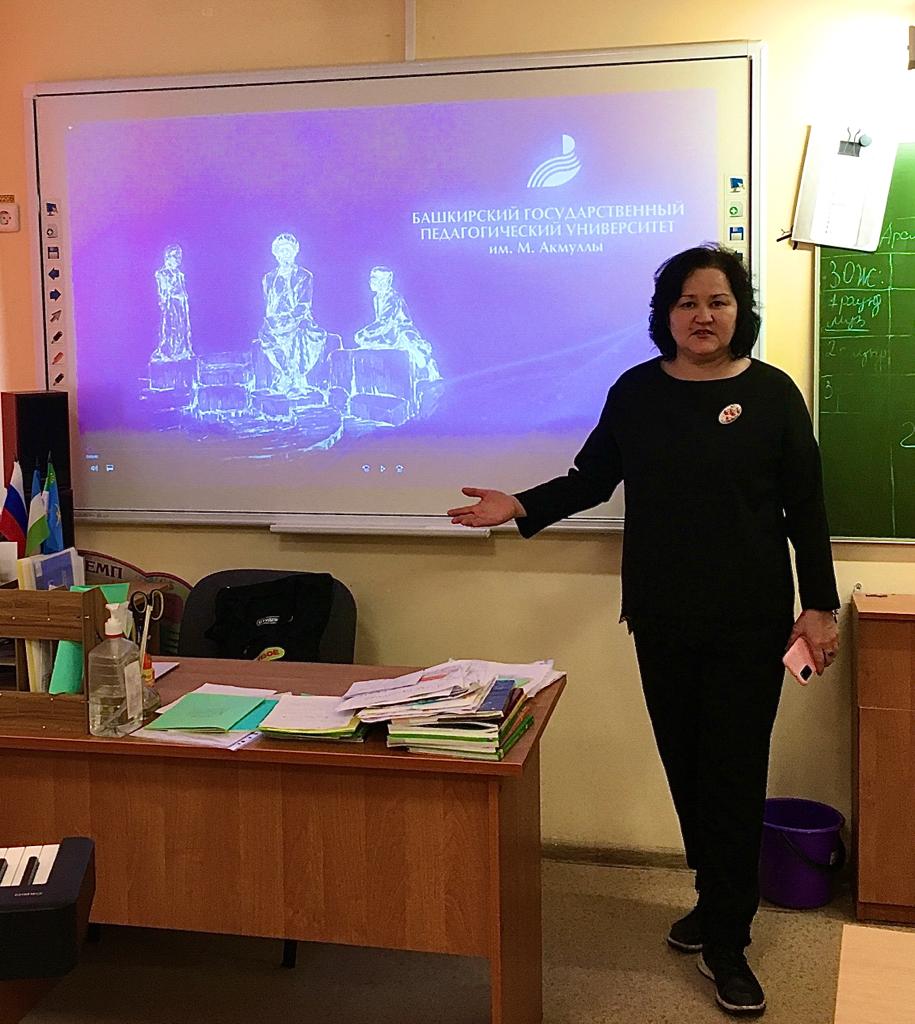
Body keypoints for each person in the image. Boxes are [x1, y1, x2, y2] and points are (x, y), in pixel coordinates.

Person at [447, 244, 840, 1018]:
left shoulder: (771, 394)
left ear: (740, 312)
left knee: (731, 773)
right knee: (685, 766)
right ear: (666, 315)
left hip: (748, 620)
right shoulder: (636, 391)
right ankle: (714, 896)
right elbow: (590, 479)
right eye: (687, 303)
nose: (702, 315)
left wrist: (818, 605)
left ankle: (727, 938)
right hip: (660, 616)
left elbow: (806, 507)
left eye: (717, 301)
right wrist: (519, 506)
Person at [152, 244, 194, 362]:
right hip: (171, 306)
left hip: (181, 305)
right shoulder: (162, 273)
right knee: (171, 329)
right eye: (175, 256)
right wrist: (165, 302)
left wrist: (183, 301)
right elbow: (163, 292)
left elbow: (183, 291)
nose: (178, 259)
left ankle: (183, 350)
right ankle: (169, 352)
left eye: (179, 256)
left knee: (183, 329)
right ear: (168, 257)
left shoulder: (180, 275)